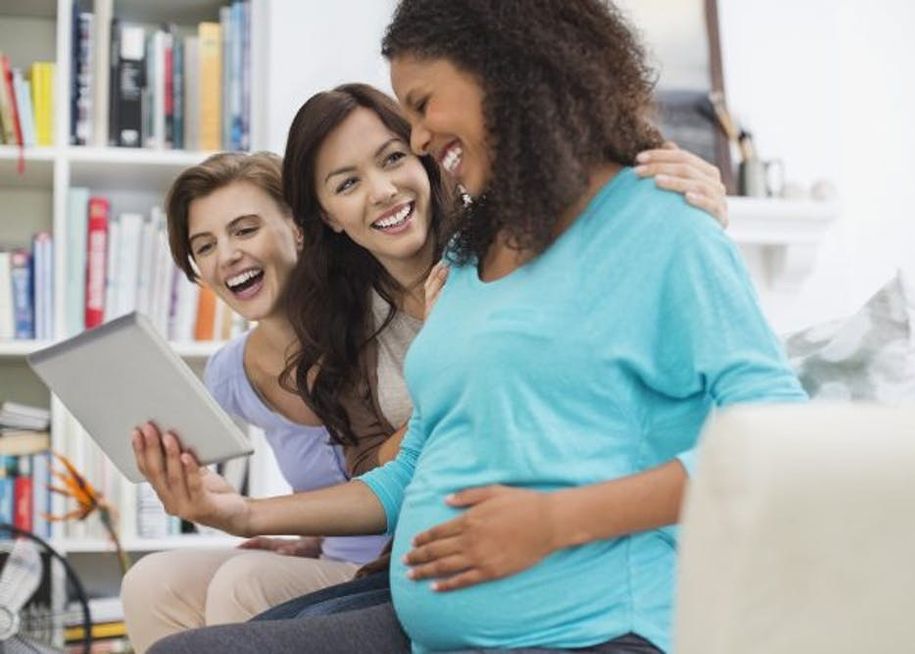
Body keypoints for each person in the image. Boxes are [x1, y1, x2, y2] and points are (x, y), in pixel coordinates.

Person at [127, 82, 730, 649]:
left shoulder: (503, 258)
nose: (382, 190)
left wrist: (685, 211)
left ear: (426, 157)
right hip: (419, 561)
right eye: (346, 183)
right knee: (183, 606)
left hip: (551, 568)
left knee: (244, 603)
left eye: (392, 159)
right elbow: (396, 471)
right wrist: (247, 515)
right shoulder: (347, 323)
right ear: (325, 217)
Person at [120, 152, 391, 653]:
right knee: (151, 580)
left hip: (388, 573)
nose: (226, 256)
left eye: (244, 230)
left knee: (243, 581)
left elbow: (403, 476)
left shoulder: (377, 326)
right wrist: (305, 541)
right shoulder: (229, 375)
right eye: (206, 246)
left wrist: (260, 515)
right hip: (333, 562)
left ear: (299, 227)